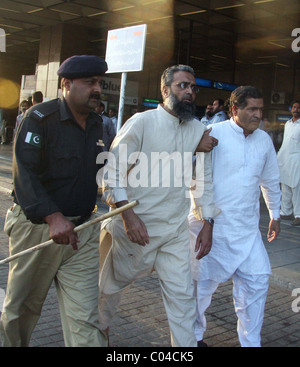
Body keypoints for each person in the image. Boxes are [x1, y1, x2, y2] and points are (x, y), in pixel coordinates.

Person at [98, 64, 218, 347]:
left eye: (193, 87)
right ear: (165, 90)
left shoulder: (198, 130)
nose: (189, 91)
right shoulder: (142, 122)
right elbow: (110, 172)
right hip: (134, 228)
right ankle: (96, 338)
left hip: (174, 232)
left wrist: (207, 222)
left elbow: (203, 181)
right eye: (181, 86)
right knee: (107, 293)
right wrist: (128, 217)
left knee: (183, 299)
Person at [0, 55, 109, 347]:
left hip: (82, 235)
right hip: (39, 231)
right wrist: (52, 216)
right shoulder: (39, 119)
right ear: (66, 84)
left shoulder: (98, 124)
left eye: (99, 82)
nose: (97, 88)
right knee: (20, 312)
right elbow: (25, 175)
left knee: (85, 318)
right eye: (90, 82)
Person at [188, 86, 281, 347]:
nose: (258, 114)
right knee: (200, 288)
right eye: (252, 109)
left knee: (257, 283)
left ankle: (251, 343)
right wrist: (205, 220)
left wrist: (275, 213)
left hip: (247, 229)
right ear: (234, 110)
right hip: (211, 227)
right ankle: (193, 338)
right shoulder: (212, 135)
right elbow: (197, 182)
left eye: (260, 109)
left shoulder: (263, 140)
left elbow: (271, 179)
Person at [277, 100, 300, 226]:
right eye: (294, 107)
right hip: (285, 159)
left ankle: (298, 215)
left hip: (297, 160)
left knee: (297, 188)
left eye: (298, 108)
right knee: (285, 186)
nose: (296, 109)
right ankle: (286, 212)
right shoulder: (288, 124)